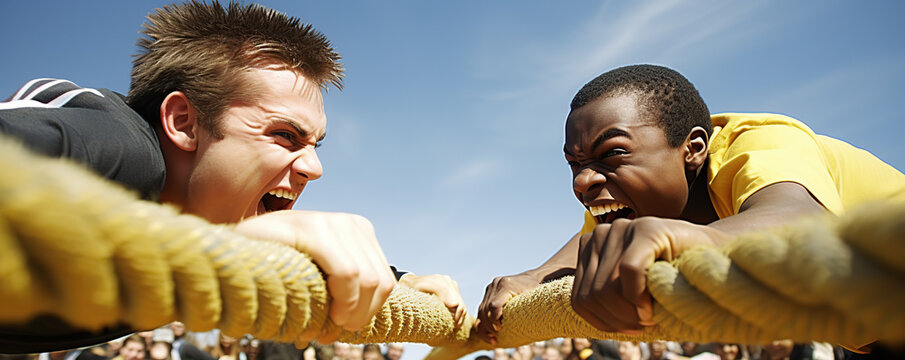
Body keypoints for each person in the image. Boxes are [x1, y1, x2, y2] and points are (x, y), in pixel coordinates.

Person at [0, 0, 463, 353]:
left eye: (315, 145)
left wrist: (397, 279)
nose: (314, 168)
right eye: (284, 135)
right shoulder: (116, 147)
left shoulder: (201, 224)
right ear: (183, 123)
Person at [475, 64, 905, 343]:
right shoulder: (633, 207)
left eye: (612, 154)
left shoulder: (759, 141)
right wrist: (530, 279)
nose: (584, 180)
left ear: (693, 148)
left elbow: (797, 218)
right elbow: (588, 245)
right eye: (575, 163)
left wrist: (676, 235)